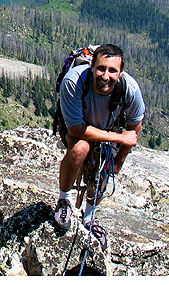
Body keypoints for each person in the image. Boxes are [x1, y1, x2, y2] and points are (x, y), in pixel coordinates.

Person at [52, 44, 145, 249]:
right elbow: (75, 129)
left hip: (109, 127)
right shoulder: (74, 81)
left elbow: (135, 123)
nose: (105, 76)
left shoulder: (130, 88)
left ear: (121, 73)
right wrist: (118, 138)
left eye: (112, 70)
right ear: (92, 66)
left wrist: (119, 159)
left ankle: (89, 218)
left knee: (105, 164)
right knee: (79, 150)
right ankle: (64, 201)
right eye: (101, 68)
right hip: (80, 128)